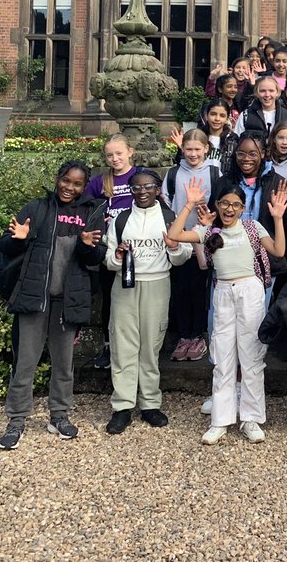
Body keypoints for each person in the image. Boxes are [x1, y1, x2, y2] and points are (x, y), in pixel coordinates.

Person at [168, 178, 287, 445]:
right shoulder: (209, 232)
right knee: (222, 356)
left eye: (235, 204)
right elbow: (176, 235)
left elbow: (279, 251)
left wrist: (278, 218)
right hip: (222, 291)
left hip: (250, 290)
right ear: (218, 205)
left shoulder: (253, 227)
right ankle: (220, 420)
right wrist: (188, 204)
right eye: (224, 203)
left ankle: (251, 418)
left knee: (252, 356)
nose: (229, 209)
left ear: (243, 207)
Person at [0, 161, 103, 450]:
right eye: (66, 181)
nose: (70, 187)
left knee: (64, 365)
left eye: (77, 184)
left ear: (84, 187)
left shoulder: (89, 213)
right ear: (57, 179)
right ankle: (16, 420)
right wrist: (18, 240)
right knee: (25, 364)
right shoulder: (37, 208)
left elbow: (94, 261)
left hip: (67, 301)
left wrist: (87, 246)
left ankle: (59, 415)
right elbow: (6, 246)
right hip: (34, 299)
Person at [103, 168, 193, 435]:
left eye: (148, 187)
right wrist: (118, 256)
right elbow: (108, 260)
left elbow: (183, 254)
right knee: (123, 344)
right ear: (131, 190)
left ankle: (150, 403)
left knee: (151, 344)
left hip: (157, 283)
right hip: (125, 286)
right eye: (137, 188)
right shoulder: (120, 220)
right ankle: (122, 406)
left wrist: (175, 247)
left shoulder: (169, 217)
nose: (142, 192)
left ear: (157, 189)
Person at [163, 128, 220, 363]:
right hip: (179, 237)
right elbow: (166, 202)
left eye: (198, 149)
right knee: (180, 287)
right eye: (189, 149)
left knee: (200, 288)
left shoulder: (215, 173)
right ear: (182, 149)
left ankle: (198, 335)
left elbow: (220, 202)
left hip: (204, 239)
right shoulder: (174, 173)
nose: (193, 153)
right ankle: (184, 335)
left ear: (206, 149)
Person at [84, 133, 137, 371]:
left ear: (130, 152)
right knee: (109, 299)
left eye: (119, 153)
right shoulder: (100, 182)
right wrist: (97, 217)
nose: (115, 159)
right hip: (111, 248)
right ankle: (108, 346)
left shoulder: (139, 176)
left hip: (138, 247)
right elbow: (85, 207)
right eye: (109, 155)